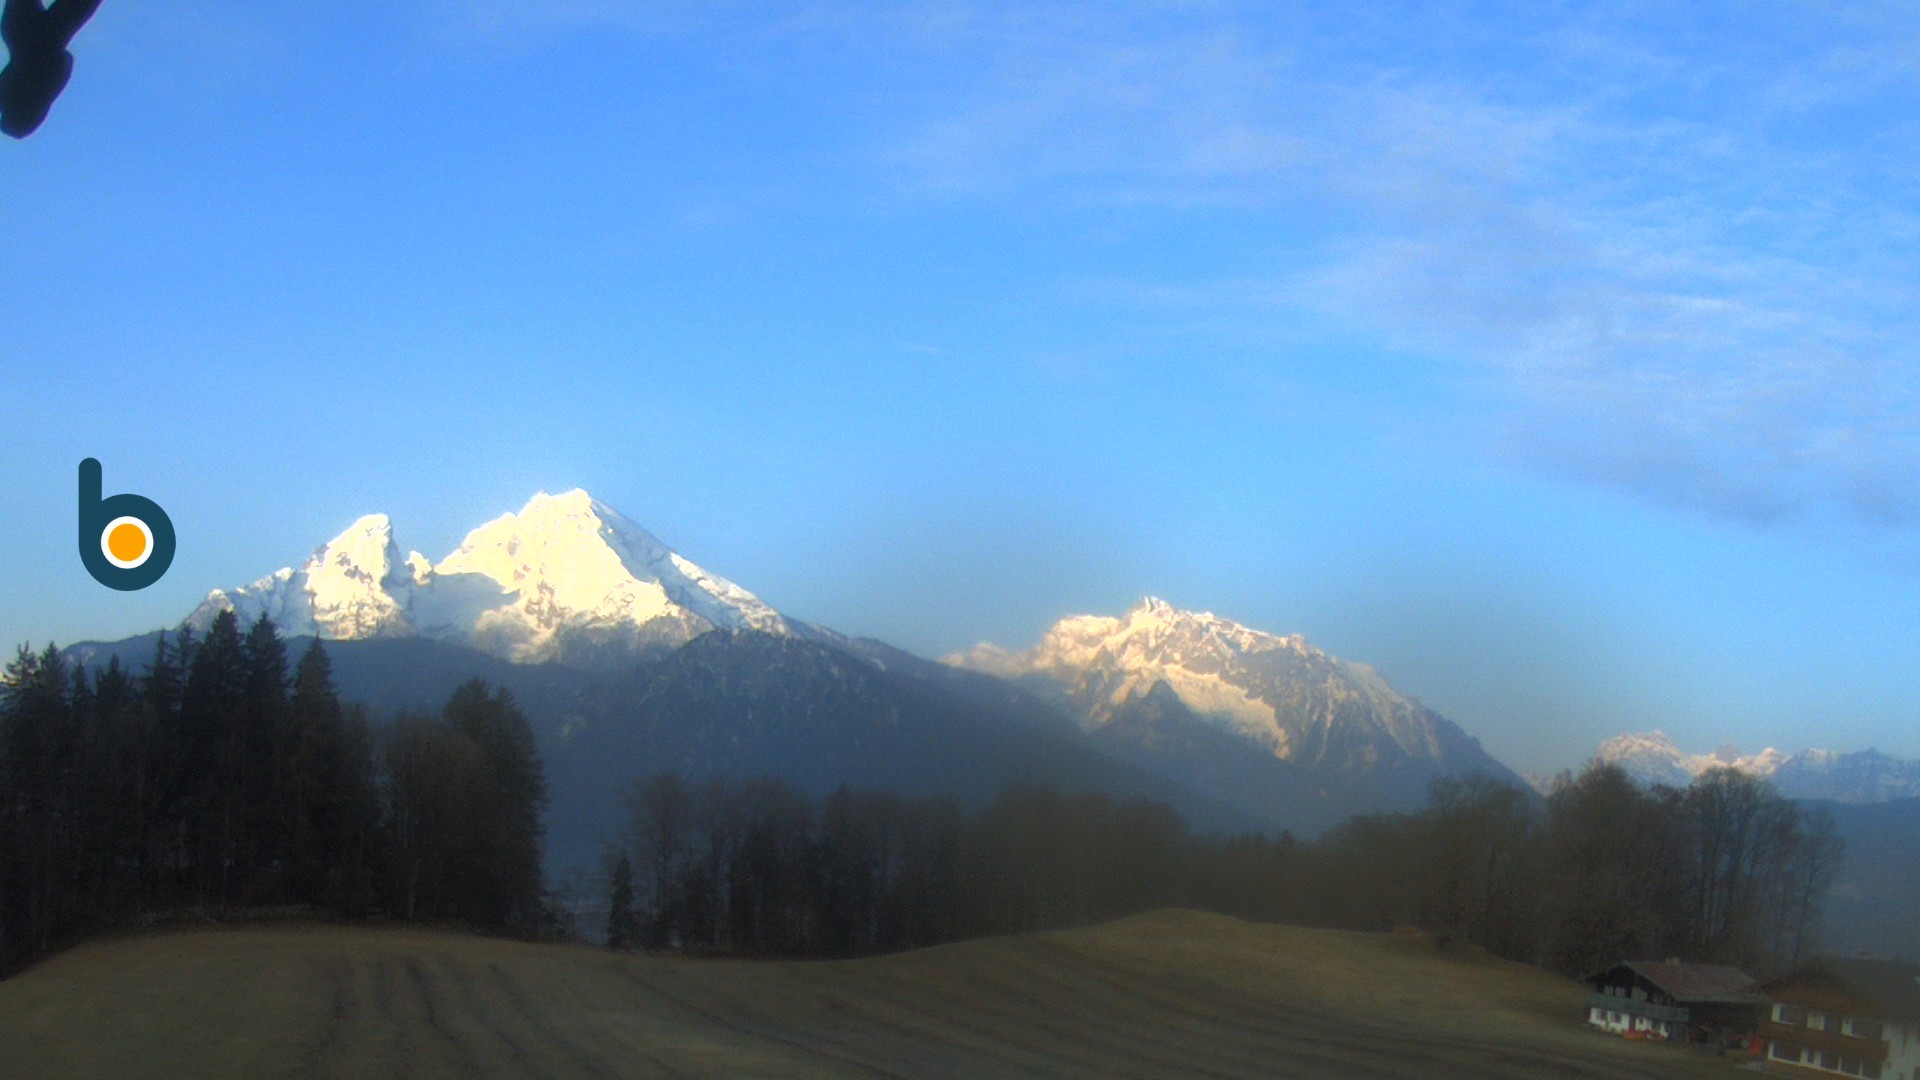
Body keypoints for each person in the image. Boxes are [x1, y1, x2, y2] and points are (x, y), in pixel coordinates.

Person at [0, 0, 103, 138]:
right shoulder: (16, 93)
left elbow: (64, 60)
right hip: (24, 33)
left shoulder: (42, 84)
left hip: (39, 36)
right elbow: (63, 60)